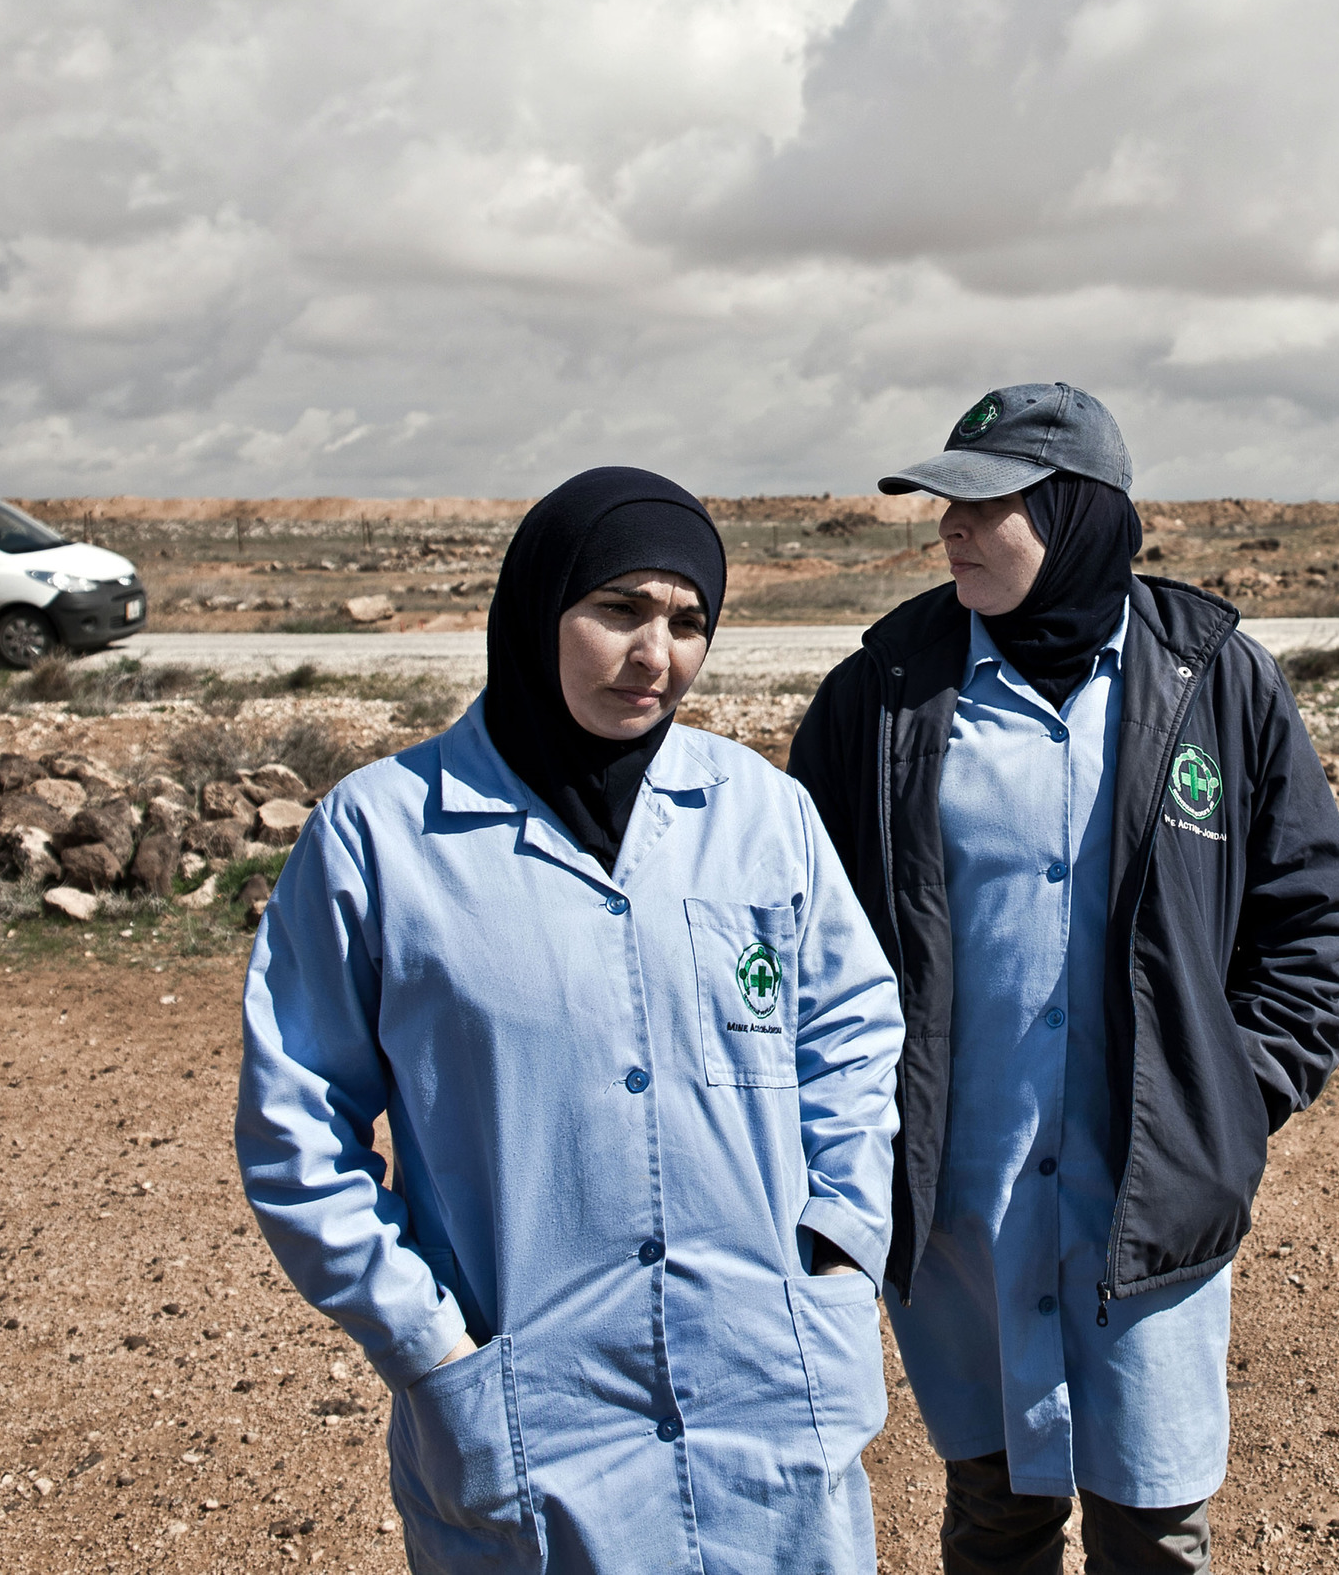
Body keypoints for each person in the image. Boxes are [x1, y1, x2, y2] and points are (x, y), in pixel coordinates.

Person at [238, 467, 905, 1574]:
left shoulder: (761, 814)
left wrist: (839, 1245)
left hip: (769, 1384)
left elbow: (851, 1034)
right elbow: (296, 1128)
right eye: (619, 609)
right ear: (536, 606)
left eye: (690, 621)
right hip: (528, 1410)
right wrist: (429, 1340)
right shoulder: (381, 838)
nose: (657, 655)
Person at [789, 384, 1339, 1573]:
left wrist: (1227, 1098)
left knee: (1153, 1525)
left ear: (1074, 510)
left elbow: (1311, 920)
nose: (948, 527)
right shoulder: (883, 696)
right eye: (941, 501)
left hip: (1143, 1204)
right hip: (965, 1207)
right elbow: (811, 939)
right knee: (995, 1512)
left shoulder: (1217, 681)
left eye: (982, 502)